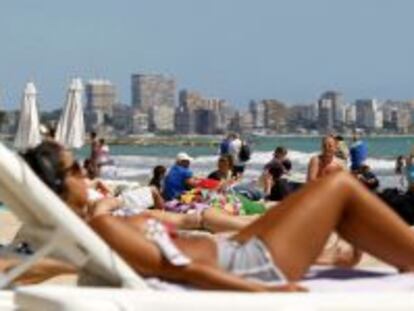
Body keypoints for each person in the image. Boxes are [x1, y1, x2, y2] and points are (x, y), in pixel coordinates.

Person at [24, 141, 414, 291]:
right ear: (59, 186)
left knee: (326, 184)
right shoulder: (104, 228)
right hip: (252, 264)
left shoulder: (99, 224)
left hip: (239, 249)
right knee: (339, 187)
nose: (85, 172)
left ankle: (341, 254)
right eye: (75, 170)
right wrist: (264, 293)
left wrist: (102, 204)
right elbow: (184, 271)